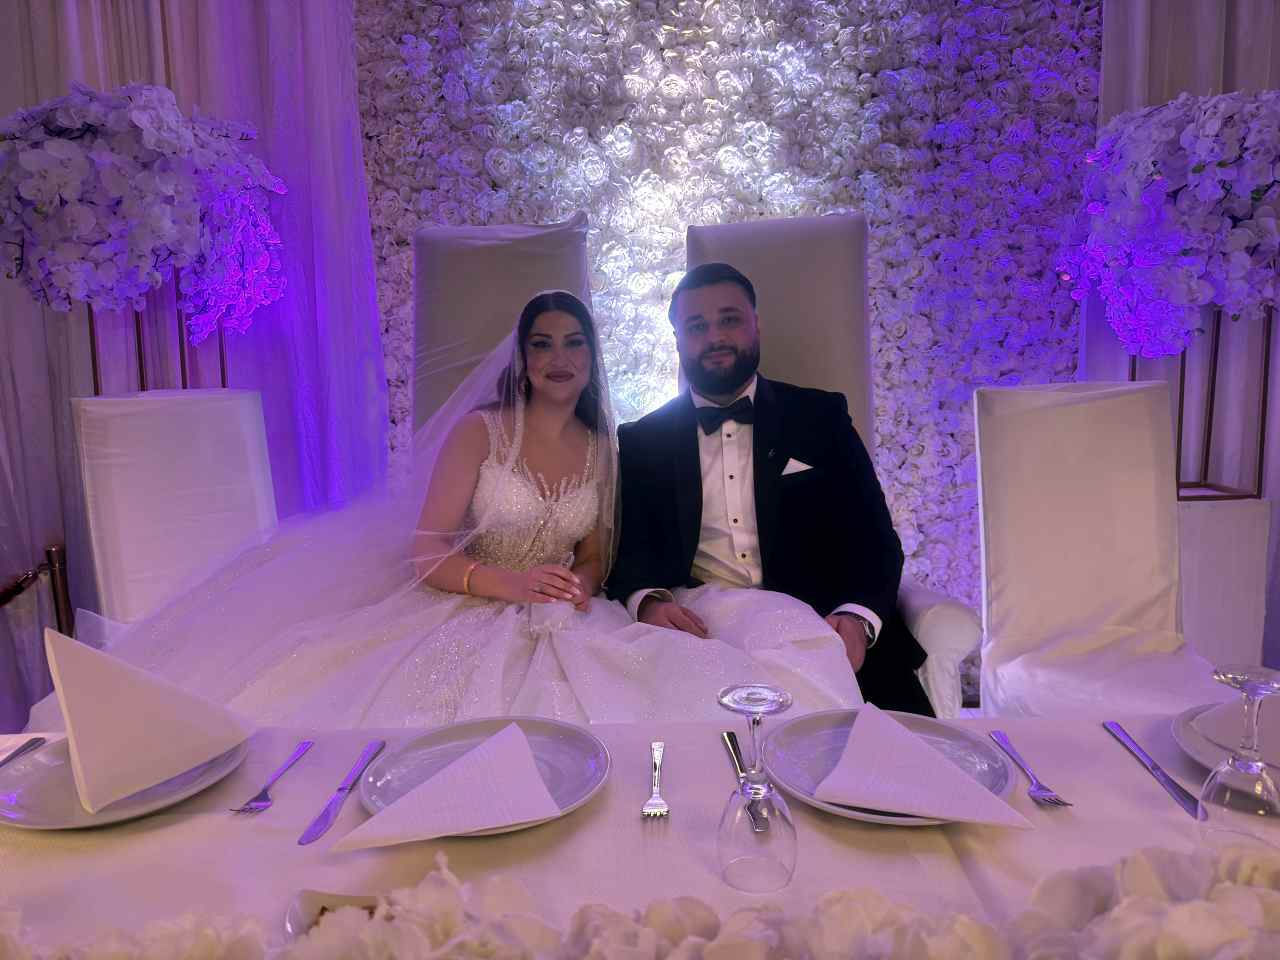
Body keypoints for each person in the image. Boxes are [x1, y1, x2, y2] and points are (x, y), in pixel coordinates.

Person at [28, 290, 857, 730]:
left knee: (644, 702)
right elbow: (426, 550)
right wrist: (508, 585)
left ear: (593, 357)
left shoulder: (611, 445)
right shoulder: (480, 432)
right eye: (543, 343)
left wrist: (580, 579)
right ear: (522, 358)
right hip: (463, 606)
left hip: (566, 615)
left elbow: (598, 547)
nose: (559, 357)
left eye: (575, 343)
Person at [606, 262, 933, 715]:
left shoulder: (820, 417)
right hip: (701, 636)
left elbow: (875, 539)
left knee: (901, 751)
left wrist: (858, 617)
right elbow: (629, 551)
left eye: (729, 319)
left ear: (756, 325)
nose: (715, 337)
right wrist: (647, 604)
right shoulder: (644, 440)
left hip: (823, 627)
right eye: (696, 326)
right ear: (678, 340)